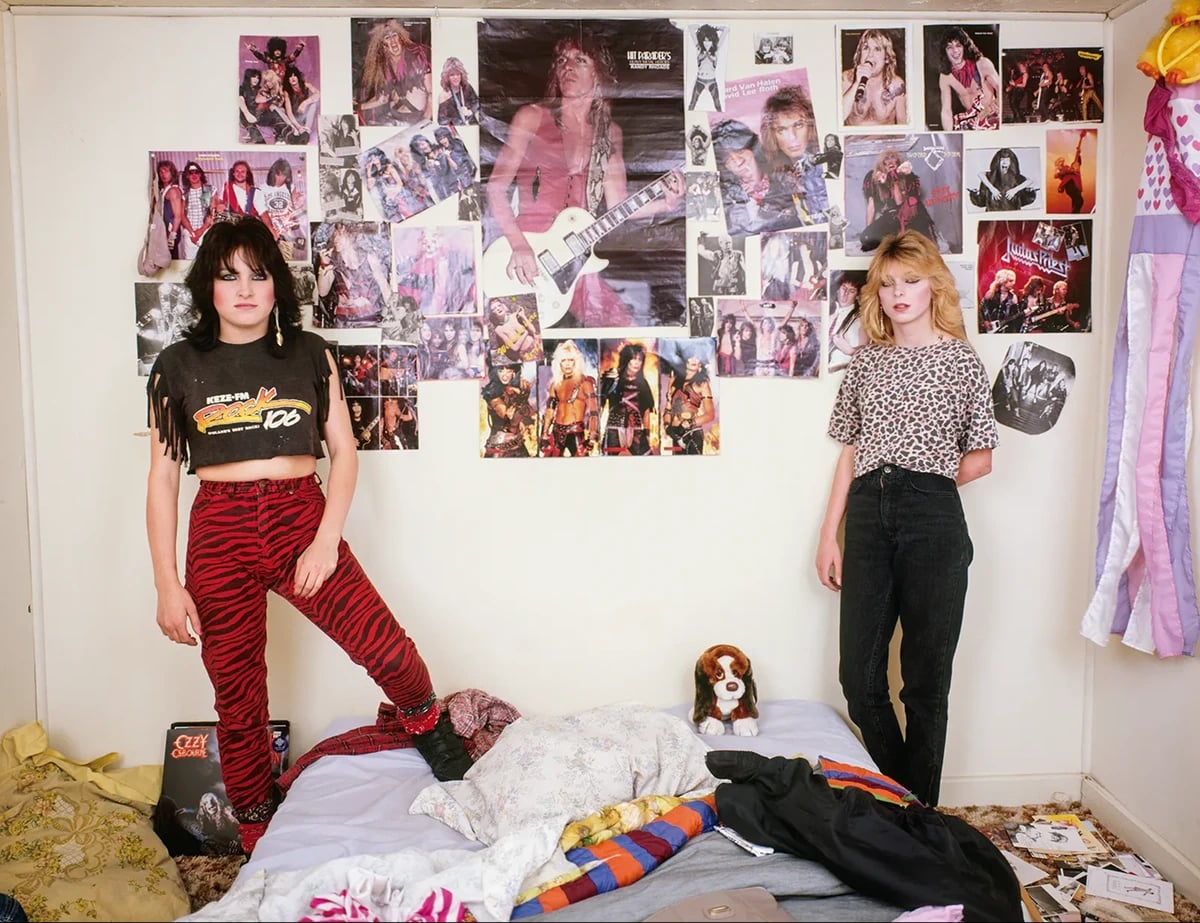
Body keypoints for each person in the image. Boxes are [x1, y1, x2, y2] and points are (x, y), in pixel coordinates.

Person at [145, 220, 472, 855]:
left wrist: (325, 541)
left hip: (300, 515)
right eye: (229, 275)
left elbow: (343, 452)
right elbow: (161, 478)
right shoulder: (176, 366)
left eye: (259, 274)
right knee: (238, 695)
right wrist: (167, 583)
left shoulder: (310, 353)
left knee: (387, 649)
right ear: (209, 286)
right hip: (218, 529)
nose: (245, 289)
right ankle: (257, 832)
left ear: (277, 285)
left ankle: (434, 737)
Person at [815, 230, 998, 807]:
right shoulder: (867, 362)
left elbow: (981, 459)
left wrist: (925, 483)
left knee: (924, 681)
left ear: (933, 287)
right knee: (859, 677)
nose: (899, 293)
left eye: (911, 281)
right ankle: (906, 802)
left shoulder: (960, 360)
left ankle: (920, 819)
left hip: (932, 520)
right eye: (889, 283)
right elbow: (850, 452)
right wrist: (828, 536)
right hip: (868, 515)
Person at [484, 28, 683, 328]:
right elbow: (495, 189)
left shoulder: (610, 133)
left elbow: (618, 206)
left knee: (622, 331)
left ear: (598, 74)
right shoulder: (532, 116)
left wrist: (666, 204)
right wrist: (518, 245)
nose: (567, 66)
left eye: (580, 60)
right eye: (562, 60)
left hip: (574, 258)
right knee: (516, 344)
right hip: (526, 255)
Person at [710, 118, 799, 235]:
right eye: (728, 159)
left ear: (753, 149)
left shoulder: (789, 182)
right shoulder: (724, 199)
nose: (738, 162)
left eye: (740, 151)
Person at [760, 84, 830, 224]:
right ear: (773, 135)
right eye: (782, 130)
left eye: (798, 125)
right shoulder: (778, 177)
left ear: (810, 126)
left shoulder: (826, 166)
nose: (792, 137)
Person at [858, 149, 938, 253]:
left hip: (910, 216)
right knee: (866, 238)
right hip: (891, 217)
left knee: (916, 246)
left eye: (893, 158)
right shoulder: (873, 177)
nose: (890, 162)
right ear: (882, 164)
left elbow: (899, 202)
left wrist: (893, 178)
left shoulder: (907, 176)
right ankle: (894, 236)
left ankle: (899, 238)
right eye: (886, 159)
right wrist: (870, 229)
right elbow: (871, 206)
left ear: (898, 162)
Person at [356, 19, 432, 127]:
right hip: (394, 118)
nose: (393, 41)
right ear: (383, 46)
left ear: (401, 38)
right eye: (387, 38)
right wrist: (358, 107)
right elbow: (382, 99)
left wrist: (424, 124)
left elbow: (432, 95)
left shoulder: (418, 57)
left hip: (416, 119)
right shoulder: (385, 66)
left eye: (394, 35)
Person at [539, 339, 598, 457]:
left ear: (576, 362)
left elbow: (594, 412)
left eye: (570, 360)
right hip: (556, 432)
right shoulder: (556, 384)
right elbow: (550, 411)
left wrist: (592, 437)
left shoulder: (585, 383)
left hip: (575, 432)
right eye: (563, 360)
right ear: (558, 363)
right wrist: (545, 433)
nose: (567, 364)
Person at [937, 27, 1000, 131]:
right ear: (945, 51)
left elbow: (1001, 90)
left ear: (965, 47)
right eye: (949, 47)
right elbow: (946, 111)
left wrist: (993, 106)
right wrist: (949, 134)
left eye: (958, 45)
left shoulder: (983, 64)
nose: (955, 51)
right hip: (971, 123)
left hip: (989, 119)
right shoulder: (945, 76)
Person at [841, 29, 907, 127]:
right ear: (859, 54)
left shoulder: (897, 85)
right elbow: (835, 119)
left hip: (885, 137)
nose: (870, 54)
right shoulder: (846, 79)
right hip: (852, 136)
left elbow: (903, 126)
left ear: (887, 58)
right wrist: (856, 83)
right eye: (866, 48)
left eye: (877, 49)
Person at [600, 341, 656, 455]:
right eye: (633, 359)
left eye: (640, 359)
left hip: (636, 432)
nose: (637, 363)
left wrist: (647, 434)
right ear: (626, 359)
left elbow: (646, 411)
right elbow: (599, 405)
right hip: (614, 430)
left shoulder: (643, 384)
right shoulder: (612, 379)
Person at [663, 349, 715, 454]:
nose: (695, 359)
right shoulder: (673, 380)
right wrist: (667, 427)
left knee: (693, 464)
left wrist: (688, 424)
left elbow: (710, 415)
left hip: (692, 434)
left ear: (700, 365)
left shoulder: (702, 384)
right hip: (675, 434)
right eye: (692, 356)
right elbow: (668, 408)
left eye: (698, 358)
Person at [482, 359, 535, 457]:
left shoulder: (516, 390)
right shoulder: (492, 393)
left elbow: (530, 413)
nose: (505, 375)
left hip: (518, 444)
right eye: (501, 371)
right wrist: (522, 398)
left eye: (508, 371)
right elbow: (509, 418)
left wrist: (521, 394)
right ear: (495, 372)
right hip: (498, 448)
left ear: (514, 372)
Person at [969, 148, 1036, 211]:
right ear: (997, 162)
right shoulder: (990, 177)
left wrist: (1014, 190)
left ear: (1011, 162)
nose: (1004, 162)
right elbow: (980, 174)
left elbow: (1030, 181)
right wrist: (992, 189)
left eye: (1007, 160)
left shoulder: (1016, 178)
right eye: (1002, 160)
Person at [487, 295, 541, 363]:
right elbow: (515, 348)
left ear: (503, 306)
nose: (498, 308)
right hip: (527, 354)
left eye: (499, 305)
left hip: (536, 343)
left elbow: (533, 331)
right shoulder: (498, 330)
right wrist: (525, 333)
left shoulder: (515, 316)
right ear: (492, 314)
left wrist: (523, 316)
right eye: (494, 309)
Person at [828, 275, 865, 373]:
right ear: (838, 289)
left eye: (851, 291)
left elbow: (866, 353)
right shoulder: (829, 314)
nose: (845, 293)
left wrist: (850, 350)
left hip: (843, 372)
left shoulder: (860, 319)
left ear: (857, 296)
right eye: (843, 288)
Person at [178, 162, 215, 260]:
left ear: (200, 174)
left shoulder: (210, 190)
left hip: (206, 231)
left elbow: (213, 213)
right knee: (189, 262)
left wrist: (201, 230)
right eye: (191, 173)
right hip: (190, 233)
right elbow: (182, 215)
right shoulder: (184, 193)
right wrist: (193, 233)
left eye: (196, 172)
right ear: (187, 176)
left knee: (207, 261)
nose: (194, 175)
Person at [437, 56, 480, 126]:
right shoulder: (444, 95)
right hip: (459, 128)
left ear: (462, 75)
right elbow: (442, 120)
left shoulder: (467, 87)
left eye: (458, 74)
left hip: (472, 125)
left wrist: (471, 111)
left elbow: (477, 102)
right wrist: (459, 121)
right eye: (452, 75)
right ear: (447, 77)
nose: (456, 77)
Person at [689, 23, 723, 111]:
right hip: (700, 80)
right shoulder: (699, 49)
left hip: (712, 81)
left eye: (709, 40)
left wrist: (716, 28)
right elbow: (690, 28)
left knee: (718, 105)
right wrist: (700, 28)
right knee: (692, 104)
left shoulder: (716, 50)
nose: (707, 43)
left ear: (713, 41)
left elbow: (726, 30)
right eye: (705, 40)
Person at [156, 160, 185, 261]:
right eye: (161, 172)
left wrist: (172, 235)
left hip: (171, 230)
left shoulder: (173, 190)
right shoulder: (163, 190)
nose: (163, 174)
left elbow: (178, 216)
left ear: (172, 173)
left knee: (171, 260)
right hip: (163, 230)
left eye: (166, 171)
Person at [979, 267, 1018, 332]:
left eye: (1013, 281)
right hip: (989, 329)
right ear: (1003, 281)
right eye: (1010, 281)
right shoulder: (991, 293)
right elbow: (981, 309)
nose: (1013, 283)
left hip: (1005, 330)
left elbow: (1016, 316)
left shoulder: (1013, 297)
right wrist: (985, 321)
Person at [1054, 135, 1085, 214]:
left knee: (1076, 203)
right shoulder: (1059, 170)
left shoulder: (1067, 167)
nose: (1062, 162)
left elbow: (1076, 165)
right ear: (1057, 163)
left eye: (1063, 161)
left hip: (1076, 185)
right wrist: (1068, 171)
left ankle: (1075, 215)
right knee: (1079, 201)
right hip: (1070, 186)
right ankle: (1074, 215)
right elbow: (1056, 175)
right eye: (1060, 161)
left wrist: (1079, 154)